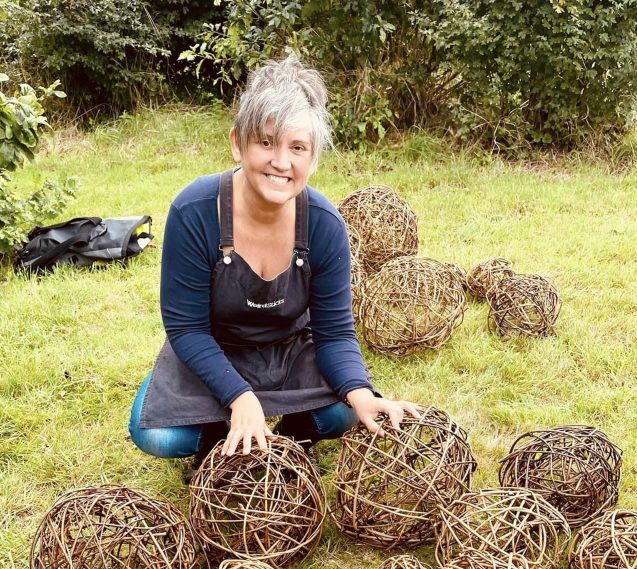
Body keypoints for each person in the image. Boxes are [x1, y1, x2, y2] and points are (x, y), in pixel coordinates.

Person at [129, 54, 420, 472]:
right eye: (266, 142)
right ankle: (219, 439)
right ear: (238, 143)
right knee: (157, 434)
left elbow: (334, 332)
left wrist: (360, 392)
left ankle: (291, 439)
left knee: (343, 412)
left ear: (313, 157)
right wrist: (240, 397)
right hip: (213, 347)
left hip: (288, 350)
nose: (281, 162)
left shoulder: (323, 224)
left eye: (297, 147)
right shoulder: (194, 210)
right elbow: (186, 328)